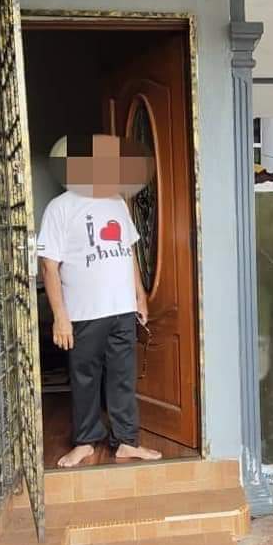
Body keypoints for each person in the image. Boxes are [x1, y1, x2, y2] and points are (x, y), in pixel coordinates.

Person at [38, 133, 162, 466]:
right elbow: (48, 266)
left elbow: (128, 252)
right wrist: (60, 317)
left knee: (123, 377)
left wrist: (140, 297)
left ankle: (126, 441)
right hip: (83, 312)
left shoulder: (116, 201)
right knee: (85, 378)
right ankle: (85, 441)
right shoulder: (60, 208)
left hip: (122, 309)